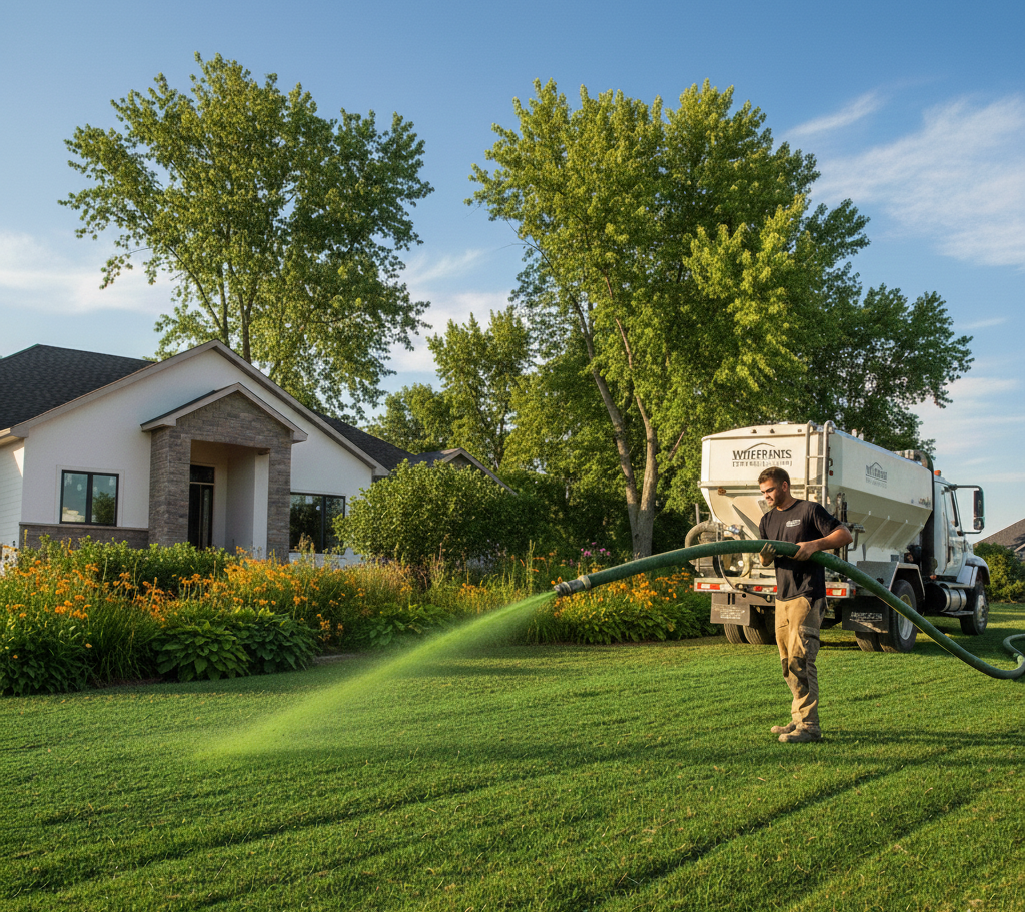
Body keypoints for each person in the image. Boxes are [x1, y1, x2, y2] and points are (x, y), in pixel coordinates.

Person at [757, 466, 853, 744]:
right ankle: (798, 718)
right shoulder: (767, 520)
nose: (767, 496)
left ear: (784, 486)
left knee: (802, 659)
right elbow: (764, 560)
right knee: (787, 663)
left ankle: (810, 727)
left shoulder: (809, 511)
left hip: (807, 595)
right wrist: (764, 558)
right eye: (763, 492)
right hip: (783, 597)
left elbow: (843, 535)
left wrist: (815, 545)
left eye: (771, 490)